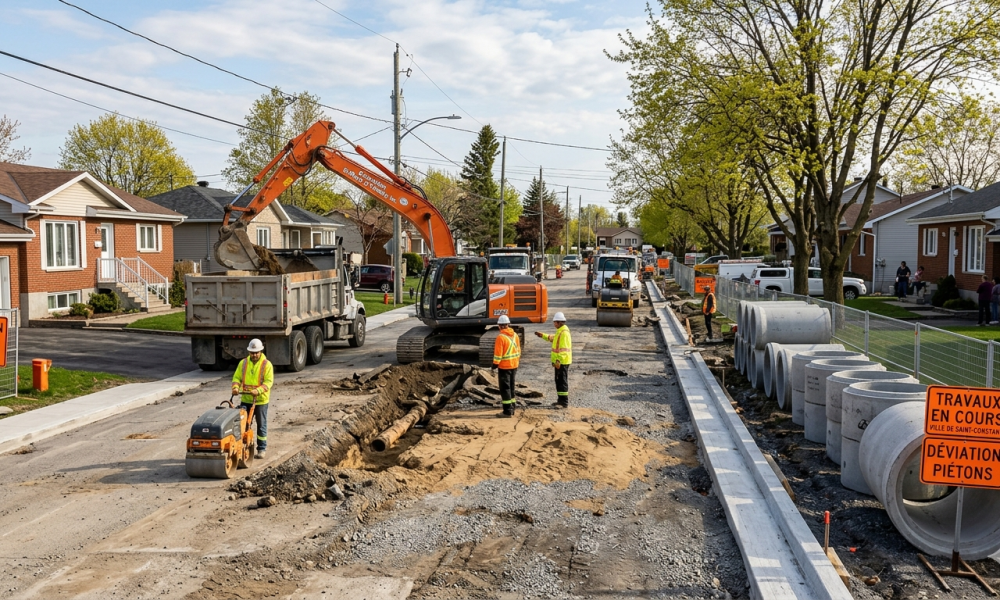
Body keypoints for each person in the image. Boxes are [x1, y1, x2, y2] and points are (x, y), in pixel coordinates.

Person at [231, 338, 273, 459]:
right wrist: (235, 387)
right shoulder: (243, 363)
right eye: (252, 352)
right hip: (246, 399)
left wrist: (258, 390)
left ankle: (261, 448)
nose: (254, 355)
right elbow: (236, 378)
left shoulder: (267, 365)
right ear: (249, 352)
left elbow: (268, 382)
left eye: (256, 352)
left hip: (260, 400)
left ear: (261, 351)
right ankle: (243, 447)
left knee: (261, 425)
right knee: (243, 424)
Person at [535, 312, 572, 408]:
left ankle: (564, 402)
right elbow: (552, 338)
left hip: (562, 361)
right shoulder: (561, 331)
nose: (554, 324)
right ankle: (560, 401)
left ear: (559, 322)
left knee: (562, 381)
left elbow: (564, 348)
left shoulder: (564, 333)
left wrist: (559, 360)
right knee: (558, 381)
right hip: (559, 361)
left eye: (555, 322)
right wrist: (542, 335)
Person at [491, 315, 521, 418]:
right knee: (511, 386)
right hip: (514, 365)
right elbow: (518, 350)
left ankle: (507, 411)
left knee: (505, 388)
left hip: (504, 366)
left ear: (499, 326)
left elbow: (498, 354)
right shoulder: (515, 335)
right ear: (508, 325)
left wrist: (494, 364)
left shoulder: (501, 337)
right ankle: (512, 407)